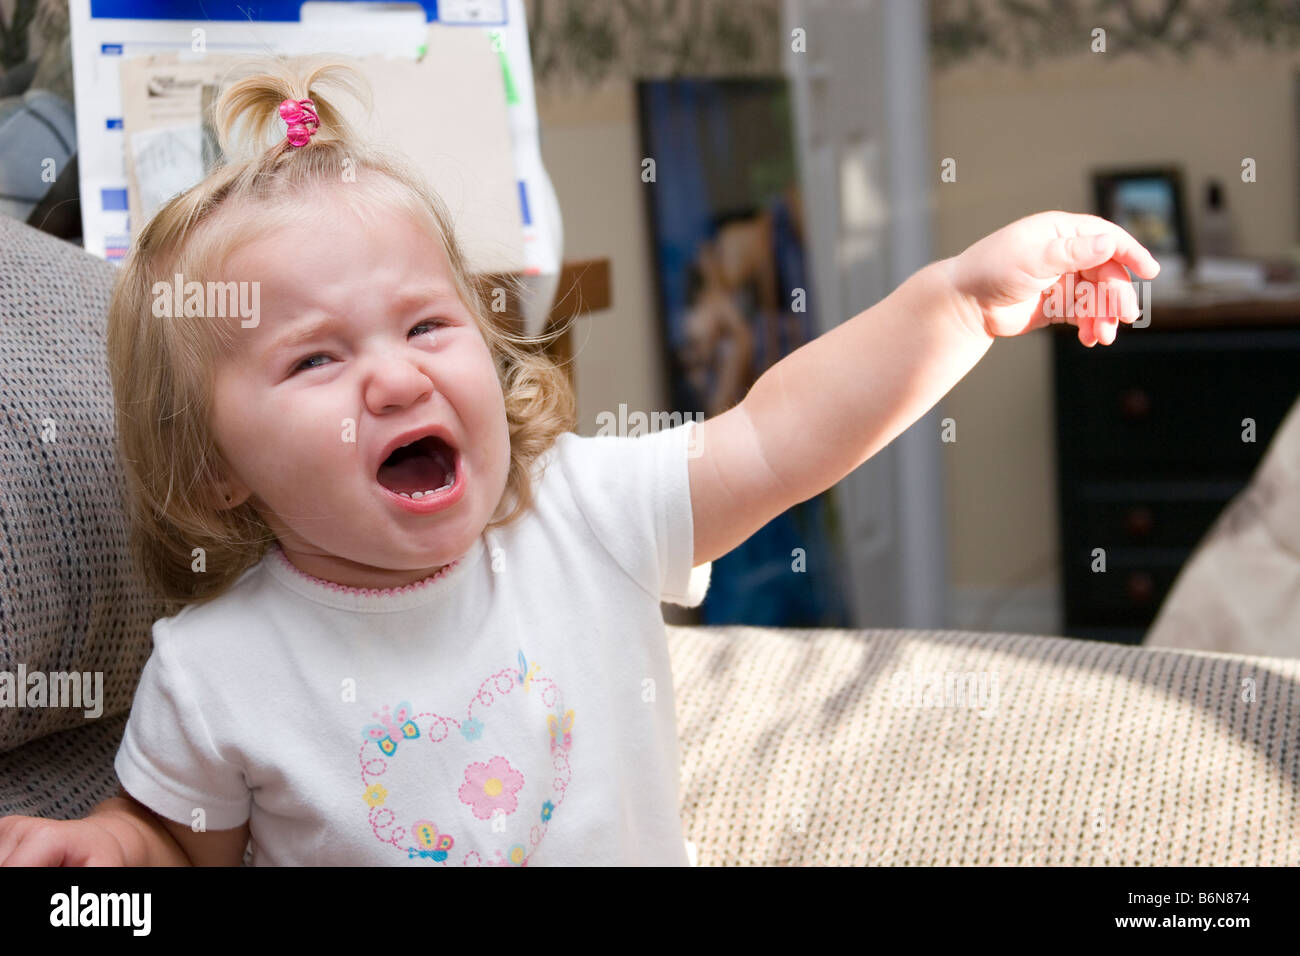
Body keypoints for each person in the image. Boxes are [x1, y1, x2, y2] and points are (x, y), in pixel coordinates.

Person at [0, 55, 1158, 867]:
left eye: (426, 325)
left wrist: (957, 299)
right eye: (314, 360)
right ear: (213, 469)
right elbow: (174, 844)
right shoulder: (214, 670)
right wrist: (99, 850)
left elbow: (779, 430)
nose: (397, 378)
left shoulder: (579, 512)